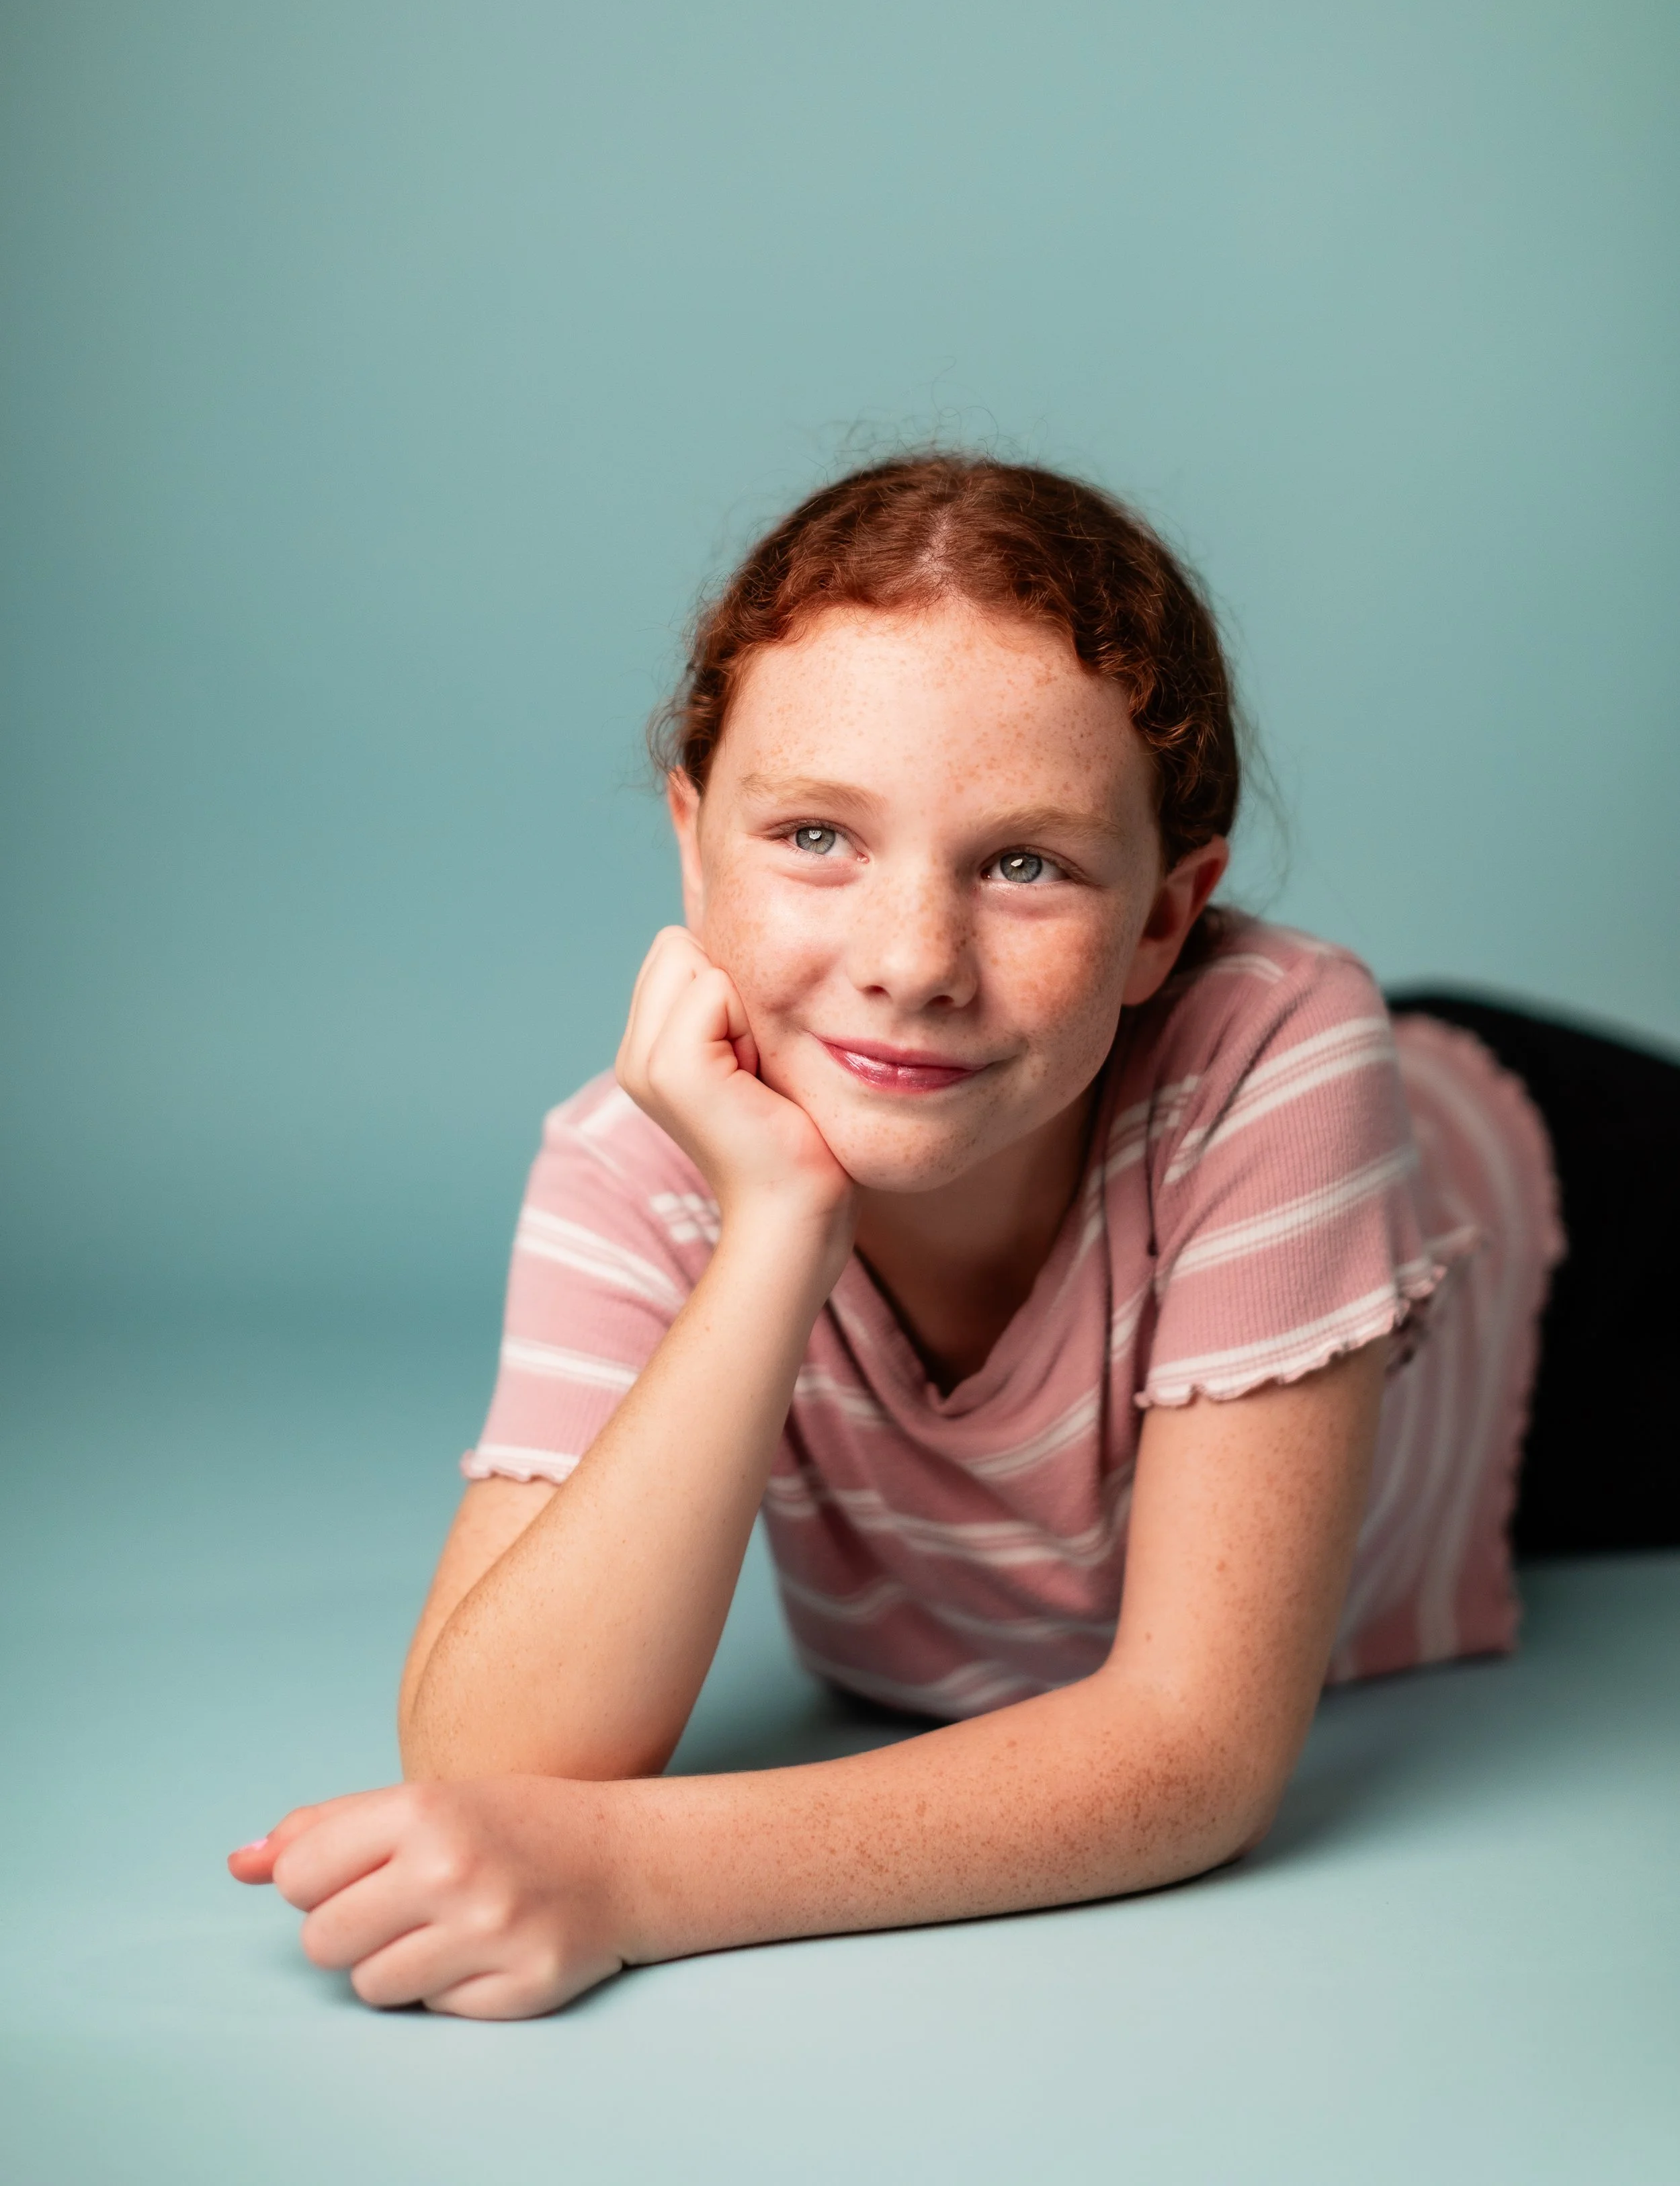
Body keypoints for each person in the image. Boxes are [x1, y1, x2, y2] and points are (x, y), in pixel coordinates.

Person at [228, 452, 1678, 2019]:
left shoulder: (1278, 1047)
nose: (912, 962)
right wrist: (779, 1222)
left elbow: (1192, 1751)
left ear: (1163, 923)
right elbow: (494, 1760)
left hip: (1582, 1263)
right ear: (689, 834)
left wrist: (630, 1876)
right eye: (811, 837)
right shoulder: (630, 1166)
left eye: (1024, 865)